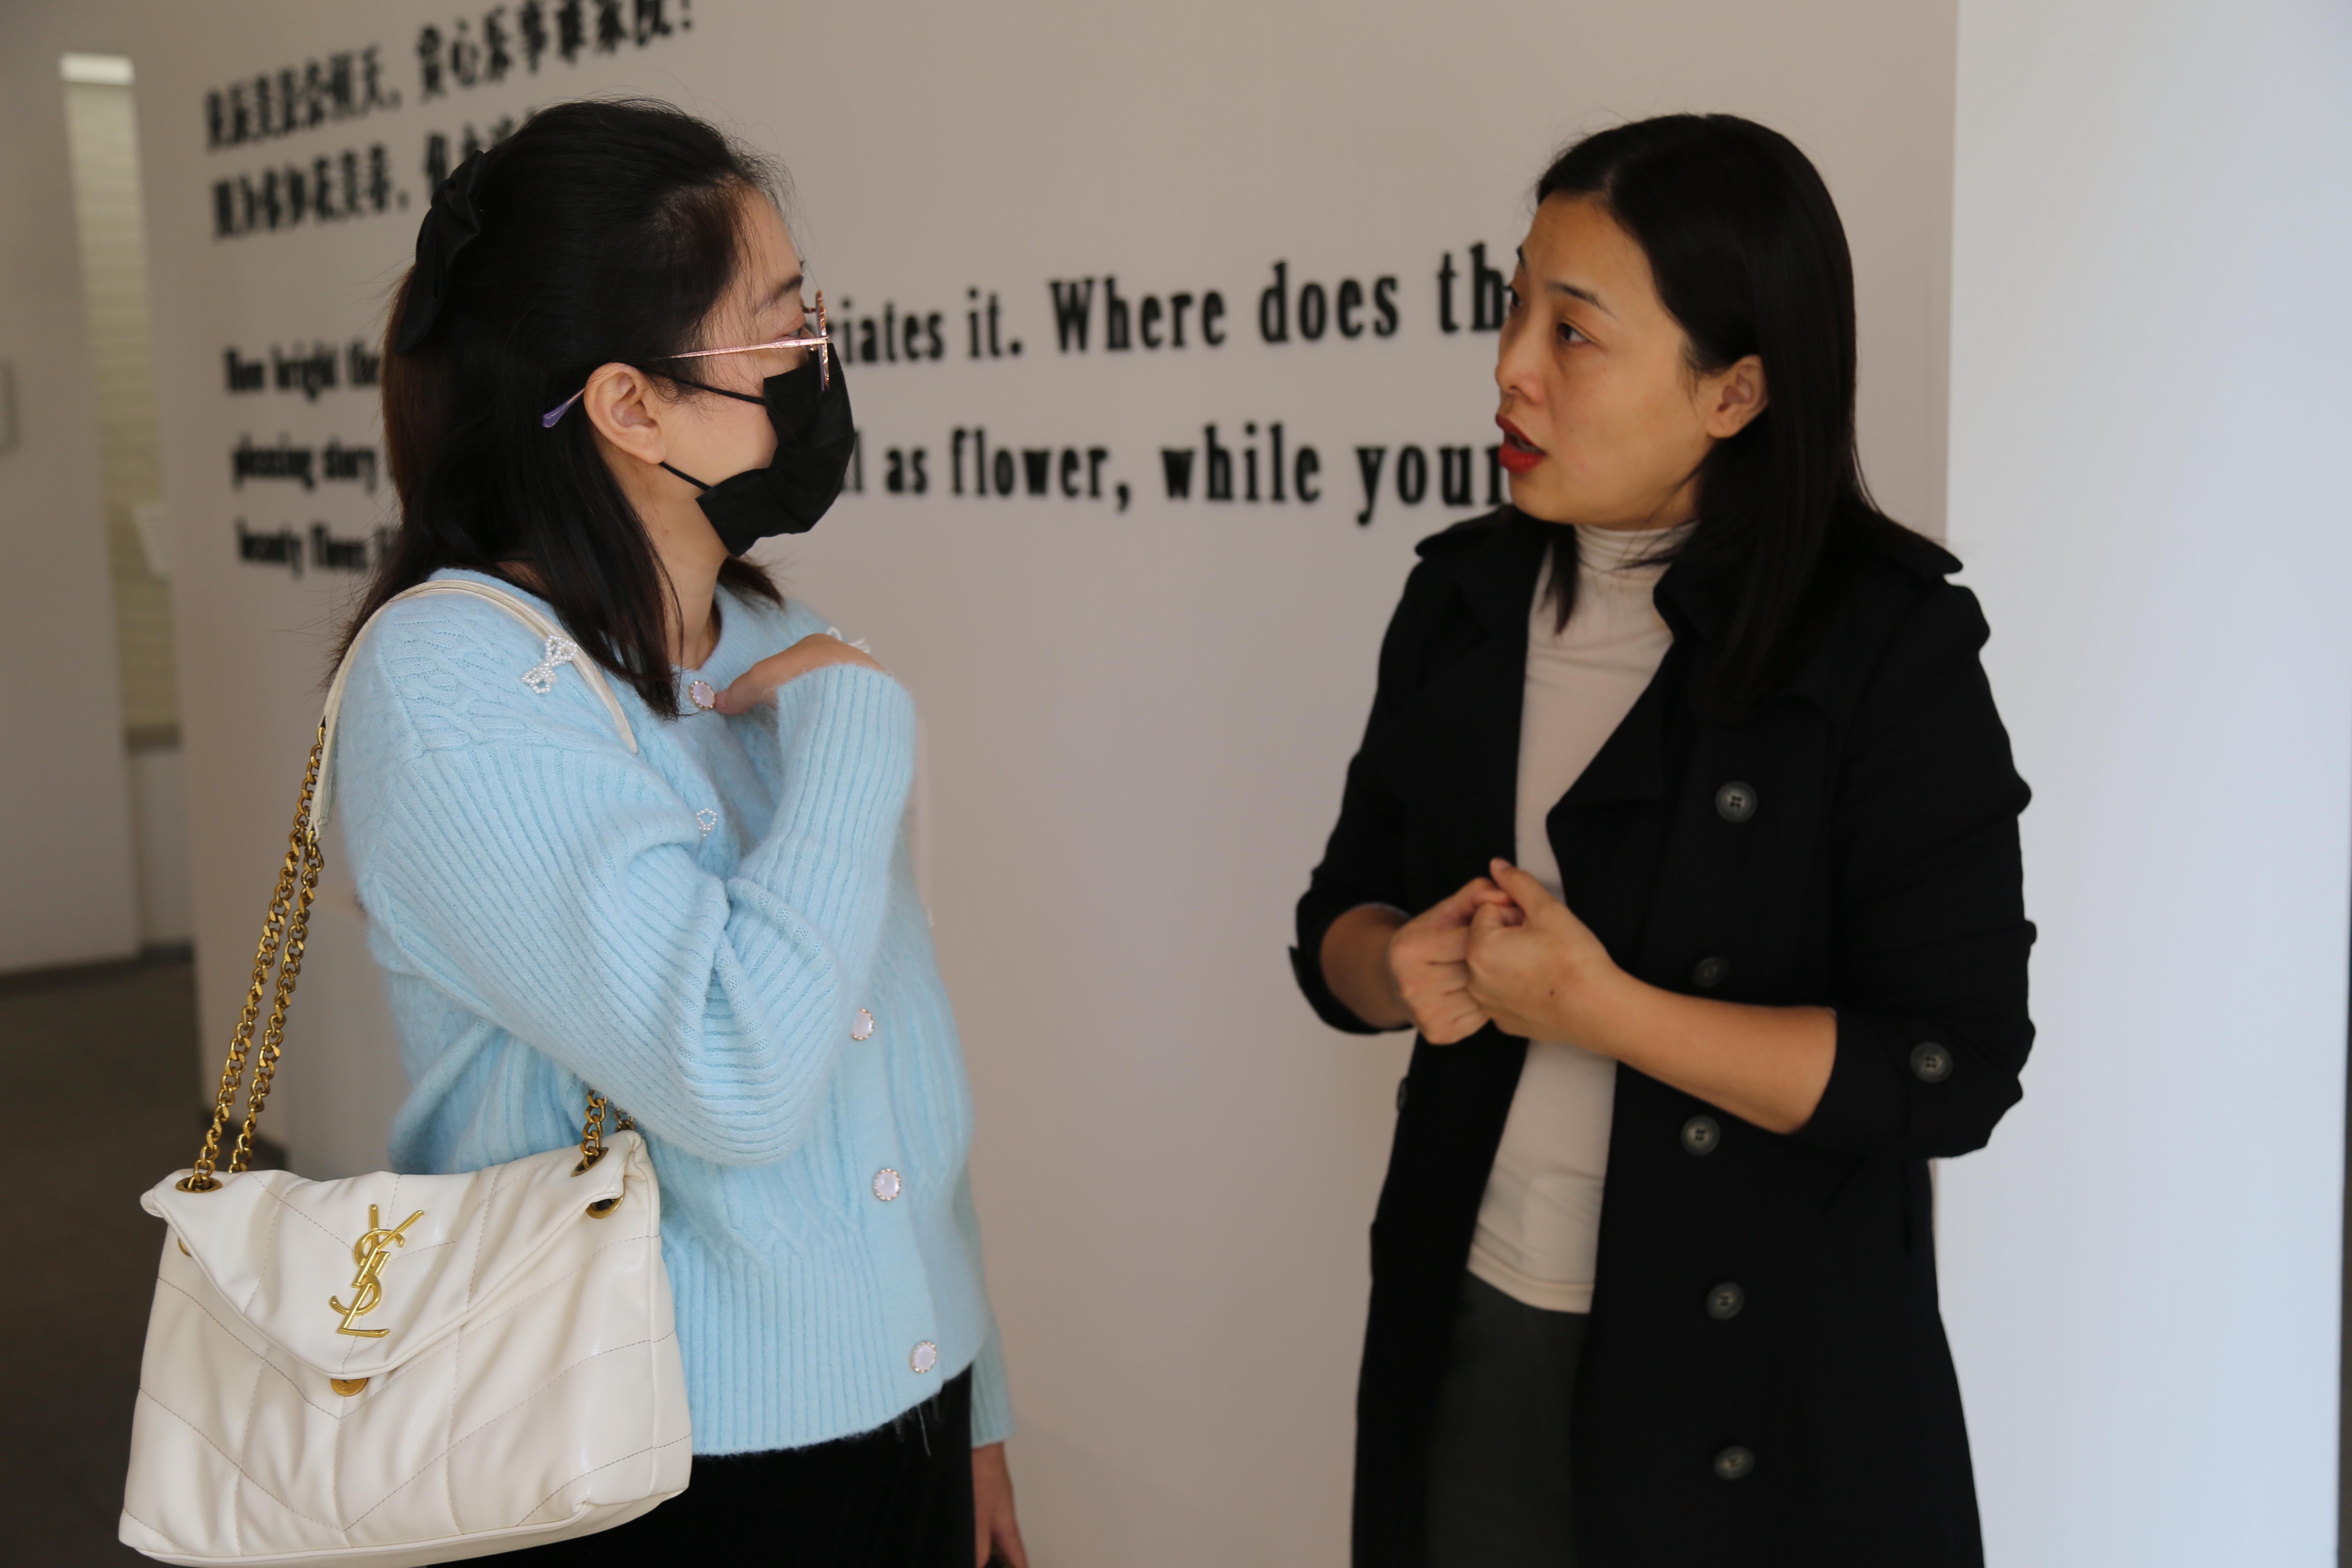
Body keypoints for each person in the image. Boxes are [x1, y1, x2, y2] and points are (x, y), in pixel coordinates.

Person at [1292, 113, 2033, 1567]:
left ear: (1735, 390)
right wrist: (1401, 965)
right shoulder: (1460, 602)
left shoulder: (1889, 646)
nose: (1511, 366)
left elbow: (1952, 1068)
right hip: (1480, 1317)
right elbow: (1339, 926)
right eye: (1514, 305)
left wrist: (1604, 1011)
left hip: (1763, 1380)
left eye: (1574, 332)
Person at [330, 99, 1026, 1567]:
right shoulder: (452, 682)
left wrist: (973, 1393)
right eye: (781, 325)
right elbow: (736, 1075)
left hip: (908, 1407)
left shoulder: (773, 639)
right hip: (659, 1457)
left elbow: (888, 1069)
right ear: (631, 407)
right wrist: (859, 733)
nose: (817, 359)